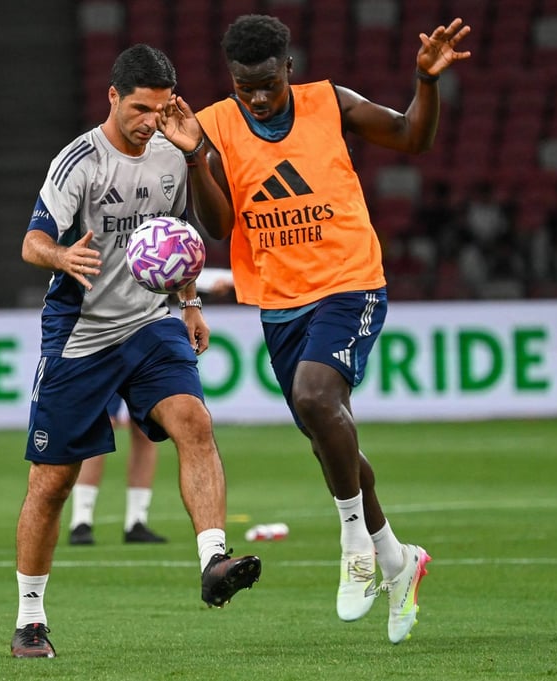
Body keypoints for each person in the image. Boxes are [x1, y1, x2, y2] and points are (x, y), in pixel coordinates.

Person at [156, 14, 471, 643]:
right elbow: (218, 228)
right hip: (278, 301)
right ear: (233, 80)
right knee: (331, 435)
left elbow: (413, 137)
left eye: (269, 83)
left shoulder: (332, 102)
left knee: (314, 398)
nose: (260, 97)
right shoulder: (213, 124)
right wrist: (196, 157)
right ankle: (397, 561)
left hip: (350, 281)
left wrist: (424, 81)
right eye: (247, 87)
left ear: (289, 69)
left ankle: (354, 542)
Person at [10, 44, 261, 659]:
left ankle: (213, 562)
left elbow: (188, 241)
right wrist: (62, 256)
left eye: (161, 108)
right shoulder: (79, 162)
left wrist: (192, 302)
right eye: (140, 108)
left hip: (151, 324)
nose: (150, 120)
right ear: (113, 98)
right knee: (52, 483)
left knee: (193, 421)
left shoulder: (174, 157)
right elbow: (32, 241)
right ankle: (30, 617)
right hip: (82, 333)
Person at [68, 394, 168, 545]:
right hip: (106, 369)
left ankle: (137, 521)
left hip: (142, 369)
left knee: (146, 430)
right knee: (101, 425)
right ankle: (81, 521)